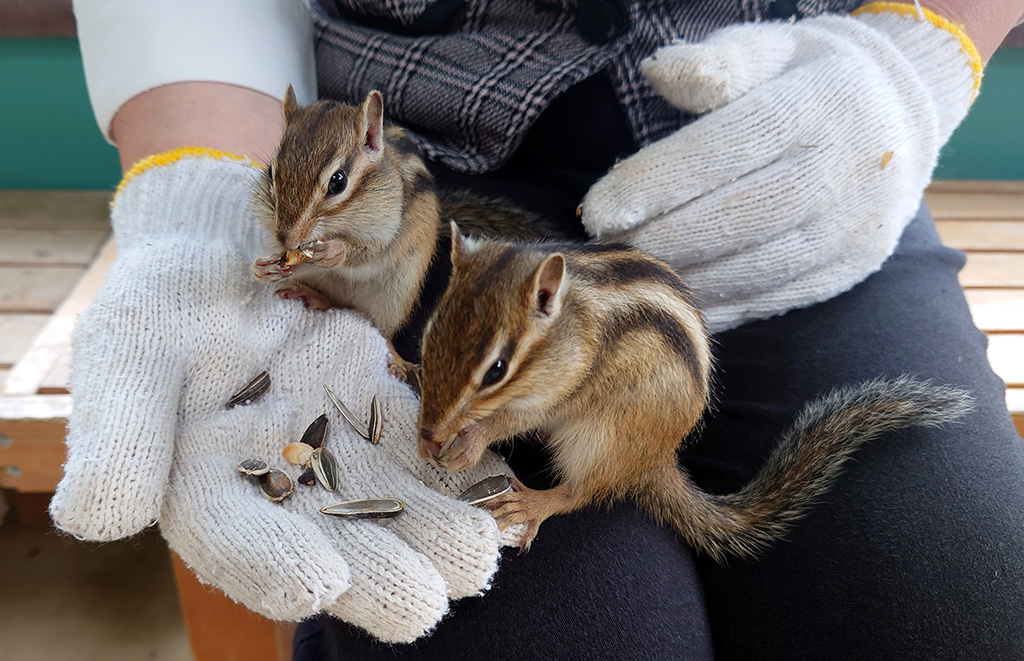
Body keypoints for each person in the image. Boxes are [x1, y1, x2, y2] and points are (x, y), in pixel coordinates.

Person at [54, 0, 1024, 658]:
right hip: (429, 161)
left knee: (949, 592)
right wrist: (201, 187)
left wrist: (921, 43)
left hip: (798, 131)